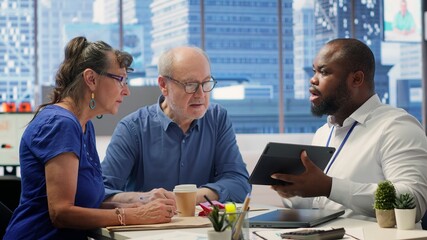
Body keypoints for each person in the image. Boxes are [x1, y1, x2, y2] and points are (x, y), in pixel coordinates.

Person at [4, 37, 176, 240]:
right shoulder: (61, 124)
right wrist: (135, 215)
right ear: (91, 79)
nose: (126, 90)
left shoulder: (83, 125)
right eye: (120, 79)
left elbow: (87, 201)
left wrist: (139, 203)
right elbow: (62, 213)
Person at [271, 38, 427, 222]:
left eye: (324, 72)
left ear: (356, 79)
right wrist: (294, 191)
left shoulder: (397, 126)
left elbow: (413, 202)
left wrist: (329, 187)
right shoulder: (323, 133)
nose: (313, 79)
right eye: (314, 71)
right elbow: (321, 203)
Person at [101, 46, 251, 205]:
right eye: (190, 84)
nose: (200, 94)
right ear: (163, 85)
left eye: (206, 83)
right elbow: (101, 191)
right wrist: (144, 199)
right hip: (150, 227)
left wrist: (187, 197)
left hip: (205, 228)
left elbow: (240, 184)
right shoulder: (132, 128)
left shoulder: (217, 119)